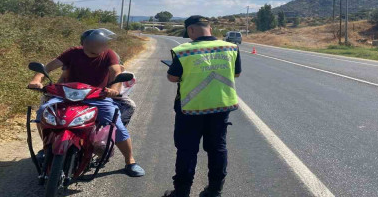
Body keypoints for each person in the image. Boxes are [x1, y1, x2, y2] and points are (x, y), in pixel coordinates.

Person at [27, 28, 145, 177]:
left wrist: (114, 88)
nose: (101, 47)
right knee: (44, 112)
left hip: (97, 97)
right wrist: (37, 79)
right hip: (66, 94)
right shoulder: (73, 52)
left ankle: (130, 161)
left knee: (115, 122)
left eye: (102, 44)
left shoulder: (109, 54)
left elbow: (116, 72)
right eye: (96, 44)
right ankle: (46, 148)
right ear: (85, 44)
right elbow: (47, 67)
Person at [163, 16, 242, 197]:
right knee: (217, 148)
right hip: (221, 107)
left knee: (187, 150)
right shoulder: (231, 47)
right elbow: (236, 73)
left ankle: (182, 192)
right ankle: (214, 191)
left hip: (191, 108)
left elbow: (173, 77)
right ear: (210, 28)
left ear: (191, 30)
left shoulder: (183, 51)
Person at [59, 51, 137, 127]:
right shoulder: (78, 68)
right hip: (75, 96)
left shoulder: (121, 75)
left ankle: (115, 131)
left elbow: (118, 89)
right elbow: (60, 82)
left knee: (126, 110)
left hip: (105, 98)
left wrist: (111, 89)